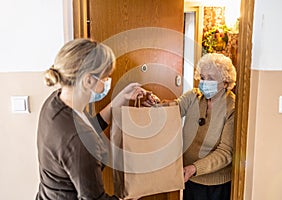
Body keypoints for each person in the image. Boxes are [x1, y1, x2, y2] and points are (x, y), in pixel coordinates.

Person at [36, 38, 151, 200]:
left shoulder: (56, 103)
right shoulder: (77, 140)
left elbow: (89, 127)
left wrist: (120, 99)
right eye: (105, 78)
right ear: (88, 80)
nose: (107, 83)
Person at [160, 53, 236, 200]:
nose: (204, 82)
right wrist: (156, 105)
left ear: (225, 82)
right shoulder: (193, 96)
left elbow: (225, 152)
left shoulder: (232, 107)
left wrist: (194, 168)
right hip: (191, 179)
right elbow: (173, 109)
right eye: (202, 77)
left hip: (217, 185)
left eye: (211, 78)